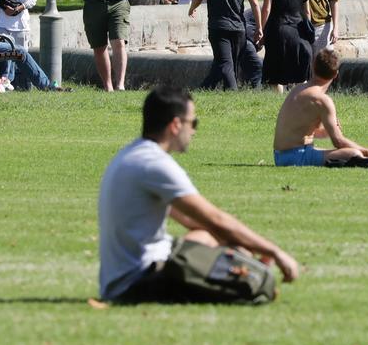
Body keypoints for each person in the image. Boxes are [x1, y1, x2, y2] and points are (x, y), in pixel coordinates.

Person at [97, 86, 298, 303]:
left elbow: (192, 220)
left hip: (117, 279)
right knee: (258, 285)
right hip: (138, 282)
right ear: (175, 125)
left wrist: (239, 247)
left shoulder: (132, 154)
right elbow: (215, 219)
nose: (193, 131)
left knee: (207, 237)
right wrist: (274, 251)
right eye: (193, 123)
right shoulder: (155, 165)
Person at [274, 48, 368, 166]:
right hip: (295, 157)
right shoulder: (322, 100)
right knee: (353, 153)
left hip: (280, 156)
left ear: (313, 67)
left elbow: (297, 130)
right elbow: (338, 142)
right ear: (336, 74)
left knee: (348, 153)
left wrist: (325, 132)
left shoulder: (298, 89)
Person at [261, 0, 314, 88]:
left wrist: (261, 31)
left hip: (278, 34)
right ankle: (298, 101)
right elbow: (307, 13)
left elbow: (266, 10)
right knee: (300, 74)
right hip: (299, 34)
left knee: (276, 76)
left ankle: (279, 104)